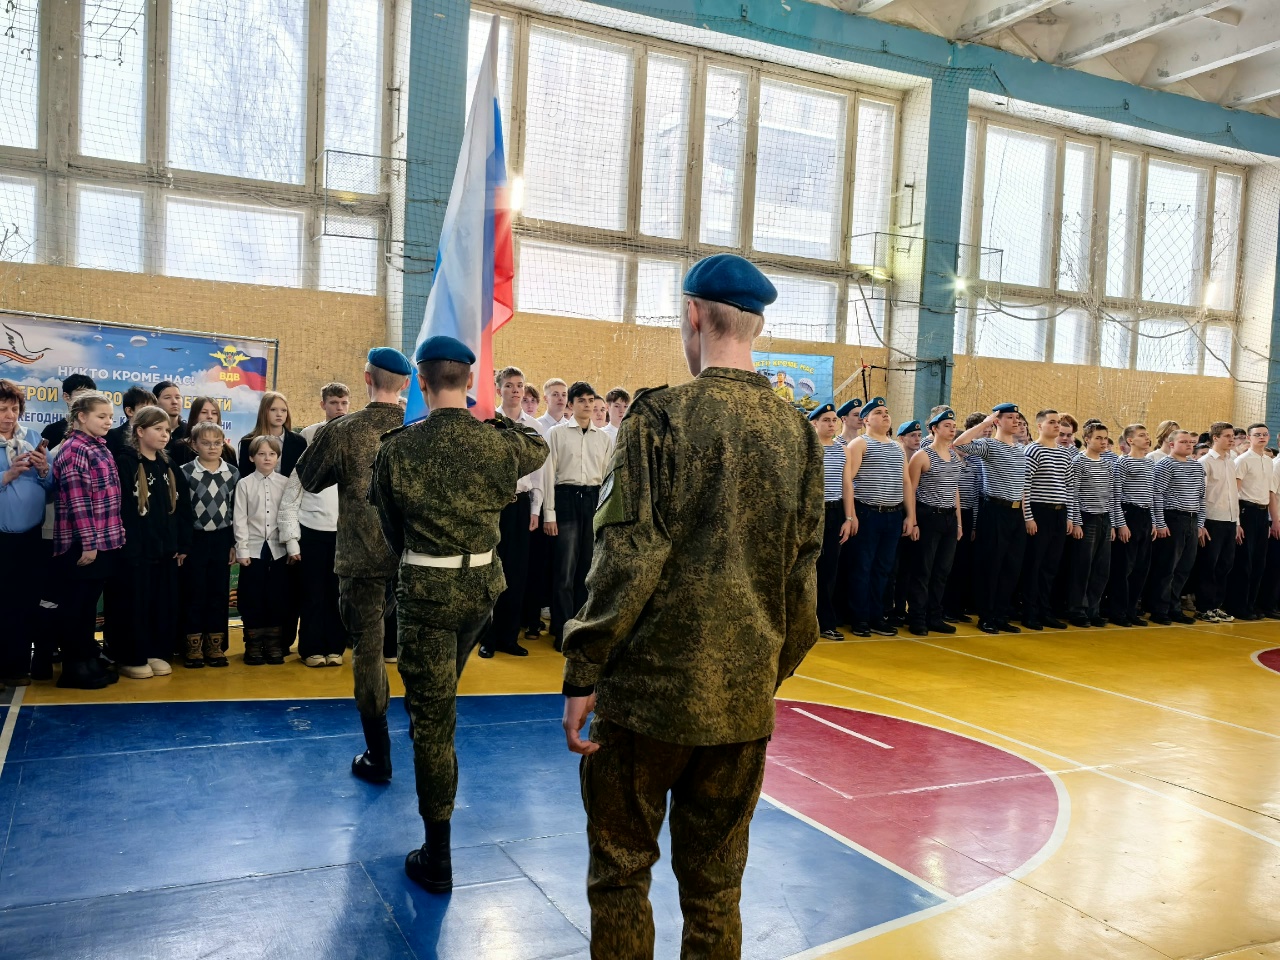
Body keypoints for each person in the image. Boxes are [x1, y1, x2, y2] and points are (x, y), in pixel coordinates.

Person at [560, 253, 821, 958]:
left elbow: (626, 558)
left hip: (648, 700)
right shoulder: (796, 433)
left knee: (620, 871)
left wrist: (584, 669)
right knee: (715, 891)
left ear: (694, 316)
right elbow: (803, 578)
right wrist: (763, 671)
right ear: (757, 325)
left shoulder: (660, 418)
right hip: (742, 704)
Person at [370, 334, 548, 894]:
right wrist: (494, 419)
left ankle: (438, 858)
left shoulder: (398, 446)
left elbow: (390, 525)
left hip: (426, 586)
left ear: (420, 384)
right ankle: (436, 697)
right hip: (481, 588)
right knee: (441, 694)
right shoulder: (498, 443)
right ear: (471, 384)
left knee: (433, 723)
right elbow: (537, 448)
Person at [295, 348, 412, 783]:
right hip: (415, 558)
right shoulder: (418, 426)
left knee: (367, 651)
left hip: (360, 559)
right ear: (404, 384)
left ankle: (378, 754)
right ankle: (425, 738)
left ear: (366, 377)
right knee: (419, 650)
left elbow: (309, 478)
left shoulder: (344, 428)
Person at [104, 406, 193, 679]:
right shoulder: (125, 463)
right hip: (134, 553)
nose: (165, 435)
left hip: (163, 552)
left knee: (160, 603)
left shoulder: (168, 465)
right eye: (158, 429)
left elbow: (182, 508)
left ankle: (155, 651)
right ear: (140, 431)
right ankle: (130, 655)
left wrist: (181, 544)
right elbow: (121, 510)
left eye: (167, 430)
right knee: (134, 604)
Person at [50, 392, 123, 689]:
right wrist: (89, 543)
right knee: (76, 606)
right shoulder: (75, 449)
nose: (109, 422)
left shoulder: (99, 446)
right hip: (83, 543)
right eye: (101, 416)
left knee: (88, 606)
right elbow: (78, 500)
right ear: (81, 416)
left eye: (110, 416)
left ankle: (87, 659)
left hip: (103, 539)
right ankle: (73, 667)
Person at [280, 383, 350, 667]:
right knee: (312, 595)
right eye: (334, 403)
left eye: (344, 403)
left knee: (337, 594)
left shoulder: (351, 461)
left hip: (342, 535)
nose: (339, 408)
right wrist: (292, 540)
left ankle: (335, 646)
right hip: (310, 534)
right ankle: (310, 649)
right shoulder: (305, 457)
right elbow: (289, 502)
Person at [479, 366, 546, 659]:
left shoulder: (534, 427)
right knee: (491, 571)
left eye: (520, 385)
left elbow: (540, 473)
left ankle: (509, 636)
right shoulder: (487, 423)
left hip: (521, 505)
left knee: (517, 573)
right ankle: (488, 638)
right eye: (509, 385)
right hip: (494, 506)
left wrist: (536, 508)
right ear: (499, 390)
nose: (516, 390)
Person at [543, 381, 614, 649]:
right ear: (570, 405)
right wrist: (549, 513)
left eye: (590, 400)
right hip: (565, 499)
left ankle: (580, 627)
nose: (587, 404)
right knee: (565, 569)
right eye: (581, 400)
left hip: (593, 501)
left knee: (587, 569)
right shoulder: (556, 434)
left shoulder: (603, 438)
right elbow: (548, 474)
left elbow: (608, 477)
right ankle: (561, 629)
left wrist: (605, 514)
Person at [843, 397, 915, 638]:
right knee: (862, 567)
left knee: (883, 569)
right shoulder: (859, 444)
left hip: (893, 515)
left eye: (886, 412)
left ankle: (877, 616)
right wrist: (851, 516)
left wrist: (910, 517)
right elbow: (849, 482)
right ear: (866, 420)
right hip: (868, 513)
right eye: (878, 412)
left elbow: (906, 483)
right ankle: (860, 618)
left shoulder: (896, 447)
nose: (885, 415)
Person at [954, 403, 1028, 635]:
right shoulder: (989, 445)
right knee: (991, 566)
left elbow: (1022, 486)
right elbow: (959, 444)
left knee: (1011, 567)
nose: (1016, 421)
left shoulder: (1019, 449)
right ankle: (986, 616)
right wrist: (985, 423)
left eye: (1017, 418)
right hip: (995, 510)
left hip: (1016, 514)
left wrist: (1025, 516)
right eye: (1010, 417)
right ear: (998, 421)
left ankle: (1000, 614)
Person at [0, 379, 54, 686]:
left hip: (30, 538)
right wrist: (7, 474)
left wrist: (44, 471)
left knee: (24, 601)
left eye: (15, 408)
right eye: (2, 409)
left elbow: (50, 491)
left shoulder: (33, 438)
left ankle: (17, 666)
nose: (10, 415)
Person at [234, 435, 299, 665]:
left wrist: (292, 546)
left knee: (277, 597)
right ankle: (253, 645)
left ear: (278, 457)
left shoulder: (285, 483)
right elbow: (240, 518)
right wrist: (241, 549)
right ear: (252, 458)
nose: (267, 458)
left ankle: (273, 645)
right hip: (252, 551)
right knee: (252, 597)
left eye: (272, 454)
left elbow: (291, 515)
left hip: (279, 550)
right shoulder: (244, 484)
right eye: (261, 454)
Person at [180, 421, 238, 667]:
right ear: (194, 445)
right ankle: (193, 647)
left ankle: (215, 646)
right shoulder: (185, 472)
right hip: (195, 539)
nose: (212, 447)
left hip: (222, 538)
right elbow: (181, 512)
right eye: (206, 442)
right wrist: (183, 544)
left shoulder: (232, 473)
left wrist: (234, 543)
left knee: (218, 592)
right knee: (195, 592)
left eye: (217, 442)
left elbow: (237, 510)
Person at [905, 408, 962, 637]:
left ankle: (934, 616)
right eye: (947, 425)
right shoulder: (923, 455)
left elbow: (955, 489)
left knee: (942, 570)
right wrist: (914, 520)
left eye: (953, 425)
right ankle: (917, 616)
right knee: (923, 569)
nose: (952, 429)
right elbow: (911, 489)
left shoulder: (955, 456)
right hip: (929, 516)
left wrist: (958, 521)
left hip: (949, 517)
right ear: (934, 429)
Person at [1020, 410, 1075, 632]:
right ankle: (1030, 612)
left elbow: (1069, 487)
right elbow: (1025, 486)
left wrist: (1069, 515)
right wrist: (1028, 517)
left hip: (1059, 514)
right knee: (1035, 565)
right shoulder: (1033, 450)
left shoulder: (1064, 454)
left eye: (1058, 423)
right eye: (1051, 422)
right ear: (1040, 426)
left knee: (1051, 566)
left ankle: (1045, 611)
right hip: (1039, 512)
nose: (1056, 426)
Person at [1066, 422, 1122, 628]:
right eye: (1098, 438)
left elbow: (1113, 496)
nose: (1103, 442)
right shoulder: (1078, 462)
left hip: (1104, 519)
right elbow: (1073, 494)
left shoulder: (1108, 464)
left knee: (1101, 568)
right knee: (1082, 567)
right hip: (1086, 518)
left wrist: (1114, 524)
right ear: (1087, 439)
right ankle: (1077, 609)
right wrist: (1077, 522)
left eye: (1105, 438)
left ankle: (1093, 609)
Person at [1147, 430, 1206, 625]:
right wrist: (1160, 522)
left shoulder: (1197, 467)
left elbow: (1201, 497)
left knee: (1184, 567)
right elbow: (1157, 495)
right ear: (1171, 444)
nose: (1189, 445)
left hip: (1191, 519)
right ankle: (1159, 609)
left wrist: (1200, 523)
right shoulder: (1165, 465)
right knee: (1167, 567)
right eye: (1183, 442)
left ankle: (1174, 607)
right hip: (1173, 518)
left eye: (1191, 442)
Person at [810, 403, 852, 640]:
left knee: (829, 569)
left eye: (834, 420)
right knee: (807, 567)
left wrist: (848, 517)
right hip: (812, 511)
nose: (831, 424)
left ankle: (826, 622)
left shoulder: (841, 449)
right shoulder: (808, 447)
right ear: (814, 423)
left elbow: (847, 485)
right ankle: (804, 621)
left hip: (834, 511)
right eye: (826, 420)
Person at [1107, 424, 1155, 627]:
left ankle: (1131, 609)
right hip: (1129, 514)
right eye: (1141, 435)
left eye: (1147, 435)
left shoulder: (1151, 463)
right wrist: (1121, 524)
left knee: (1141, 567)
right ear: (1130, 441)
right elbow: (1115, 495)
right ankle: (1117, 611)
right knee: (1123, 567)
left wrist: (1153, 520)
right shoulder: (1122, 463)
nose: (1146, 438)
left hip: (1145, 516)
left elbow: (1151, 495)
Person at [1196, 422, 1242, 624]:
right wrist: (1200, 523)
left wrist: (1237, 522)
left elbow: (1234, 493)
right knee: (1209, 565)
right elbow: (1200, 495)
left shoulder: (1231, 461)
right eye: (1227, 436)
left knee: (1225, 565)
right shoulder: (1205, 462)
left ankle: (1216, 605)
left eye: (1233, 436)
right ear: (1215, 438)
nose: (1232, 440)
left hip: (1229, 520)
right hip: (1212, 519)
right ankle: (1204, 607)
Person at [943, 412, 986, 623]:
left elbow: (977, 495)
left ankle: (957, 606)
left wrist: (974, 524)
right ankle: (946, 607)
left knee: (963, 564)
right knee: (950, 563)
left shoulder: (971, 464)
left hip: (969, 515)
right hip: (953, 515)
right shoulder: (950, 464)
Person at [1229, 422, 1272, 620]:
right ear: (1249, 437)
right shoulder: (1243, 460)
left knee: (1259, 561)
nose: (1261, 437)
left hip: (1263, 514)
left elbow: (1269, 492)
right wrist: (1237, 522)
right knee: (1244, 562)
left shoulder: (1268, 460)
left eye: (1264, 434)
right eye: (1257, 435)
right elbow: (1235, 493)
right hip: (1247, 511)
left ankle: (1251, 603)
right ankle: (1238, 605)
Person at [237, 391, 307, 477]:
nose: (279, 414)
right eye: (273, 409)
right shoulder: (248, 442)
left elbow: (302, 475)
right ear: (264, 412)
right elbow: (244, 475)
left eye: (283, 410)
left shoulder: (299, 442)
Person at [171, 396, 237, 468]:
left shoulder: (228, 451)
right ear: (194, 416)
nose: (209, 416)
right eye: (204, 412)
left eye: (214, 413)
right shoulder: (180, 447)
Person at [41, 373, 97, 449]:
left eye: (91, 396)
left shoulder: (98, 430)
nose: (86, 400)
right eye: (82, 395)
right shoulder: (52, 431)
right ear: (66, 397)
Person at [106, 387, 158, 456]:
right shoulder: (113, 436)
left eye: (153, 409)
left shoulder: (158, 434)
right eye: (145, 408)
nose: (151, 413)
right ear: (129, 411)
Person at [153, 380, 190, 461]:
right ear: (155, 402)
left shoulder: (190, 431)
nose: (174, 402)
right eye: (167, 398)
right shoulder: (149, 432)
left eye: (177, 397)